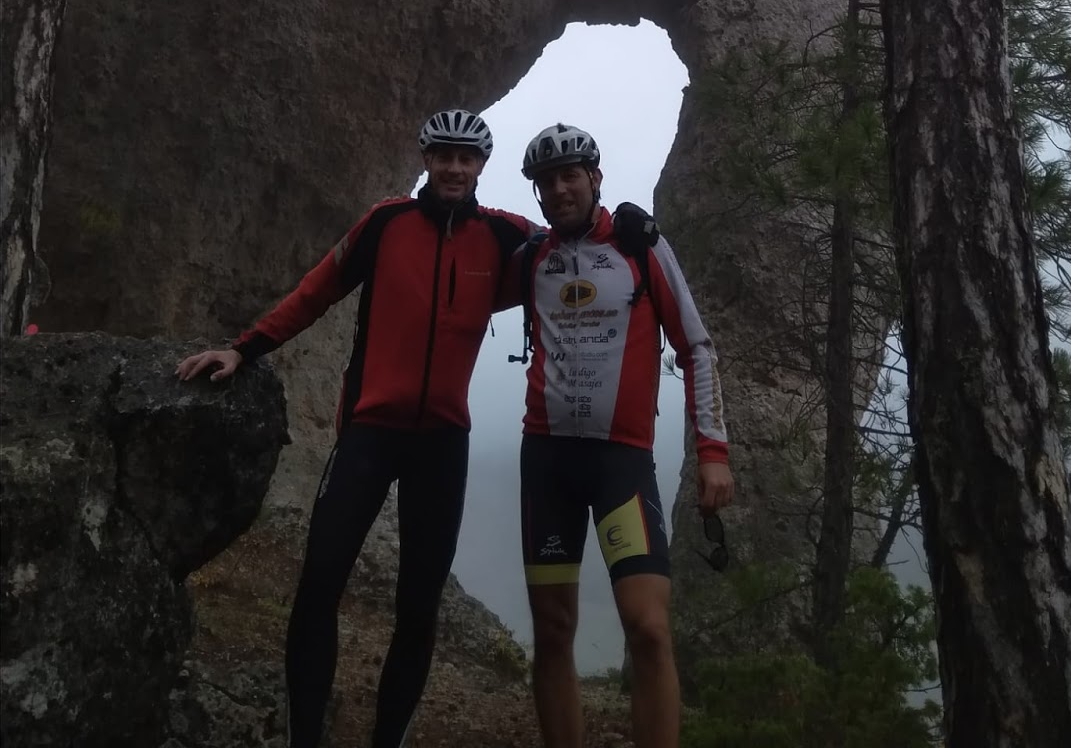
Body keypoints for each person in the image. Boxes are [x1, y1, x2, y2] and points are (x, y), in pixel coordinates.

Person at [175, 109, 534, 748]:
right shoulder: (386, 224)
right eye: (443, 155)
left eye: (467, 157)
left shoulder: (506, 238)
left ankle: (386, 739)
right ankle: (305, 737)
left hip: (444, 442)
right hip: (369, 430)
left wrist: (630, 230)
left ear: (482, 165)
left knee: (418, 610)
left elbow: (578, 250)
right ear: (427, 160)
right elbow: (317, 290)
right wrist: (244, 348)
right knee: (318, 588)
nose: (454, 167)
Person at [512, 122, 734, 748]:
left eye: (570, 176)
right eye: (547, 181)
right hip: (547, 460)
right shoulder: (533, 258)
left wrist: (713, 451)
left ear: (595, 179)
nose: (559, 188)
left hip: (621, 464)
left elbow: (696, 347)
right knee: (553, 630)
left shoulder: (639, 245)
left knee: (649, 628)